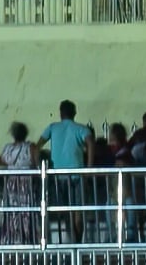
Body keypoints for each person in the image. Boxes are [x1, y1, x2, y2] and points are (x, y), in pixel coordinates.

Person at [41, 102, 92, 241]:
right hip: (78, 175)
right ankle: (78, 243)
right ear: (74, 113)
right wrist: (89, 168)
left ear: (60, 113)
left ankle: (71, 243)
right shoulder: (82, 129)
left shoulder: (52, 128)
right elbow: (90, 144)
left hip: (59, 177)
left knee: (66, 212)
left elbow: (36, 146)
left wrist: (39, 167)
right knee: (78, 211)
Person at [0, 122, 42, 243]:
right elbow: (36, 163)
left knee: (12, 211)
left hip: (11, 183)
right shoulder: (31, 147)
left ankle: (12, 240)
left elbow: (3, 162)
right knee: (27, 210)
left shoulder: (7, 148)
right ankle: (28, 239)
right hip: (26, 182)